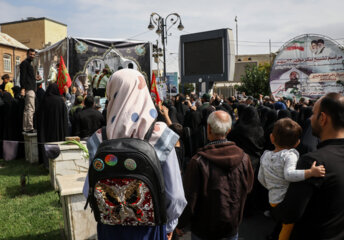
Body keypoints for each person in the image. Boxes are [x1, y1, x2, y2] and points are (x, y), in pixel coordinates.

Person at [82, 69, 187, 240]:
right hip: (150, 229)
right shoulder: (160, 136)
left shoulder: (99, 139)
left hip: (110, 228)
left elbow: (88, 191)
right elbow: (175, 195)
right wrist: (169, 226)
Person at [272, 93, 344, 240]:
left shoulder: (312, 162)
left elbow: (290, 214)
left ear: (323, 118)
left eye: (313, 114)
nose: (310, 118)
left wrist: (274, 203)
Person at [177, 110, 254, 240]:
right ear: (229, 130)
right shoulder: (244, 158)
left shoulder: (198, 161)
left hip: (204, 229)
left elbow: (190, 198)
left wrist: (180, 224)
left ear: (208, 129)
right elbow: (248, 187)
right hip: (231, 225)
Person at [258, 118, 325, 240]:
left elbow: (260, 177)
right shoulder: (290, 155)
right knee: (287, 226)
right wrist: (310, 172)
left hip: (272, 198)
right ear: (297, 143)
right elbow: (290, 174)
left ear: (272, 138)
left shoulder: (266, 154)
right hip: (285, 199)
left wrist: (272, 187)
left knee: (282, 223)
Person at [38, 83, 68, 168]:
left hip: (46, 128)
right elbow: (64, 117)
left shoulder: (44, 100)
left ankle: (46, 163)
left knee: (47, 143)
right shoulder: (60, 101)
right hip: (58, 128)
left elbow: (39, 115)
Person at [20, 48, 40, 133]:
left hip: (30, 88)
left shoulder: (29, 64)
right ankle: (29, 127)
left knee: (27, 108)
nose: (32, 56)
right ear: (27, 54)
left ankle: (26, 127)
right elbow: (23, 77)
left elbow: (28, 77)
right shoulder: (25, 63)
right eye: (31, 54)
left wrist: (35, 78)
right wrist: (23, 88)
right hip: (29, 89)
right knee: (30, 109)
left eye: (33, 54)